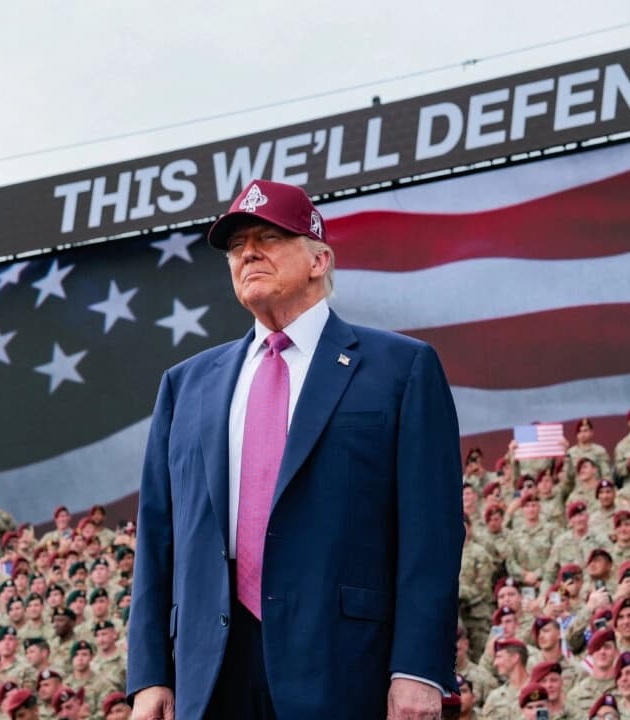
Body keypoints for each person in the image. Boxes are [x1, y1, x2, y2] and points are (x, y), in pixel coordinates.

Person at [127, 179, 463, 720]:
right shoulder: (185, 385)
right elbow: (158, 535)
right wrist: (148, 674)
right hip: (208, 672)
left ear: (318, 259)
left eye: (269, 237)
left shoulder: (401, 369)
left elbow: (432, 532)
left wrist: (418, 667)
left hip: (346, 666)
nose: (248, 253)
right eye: (237, 247)